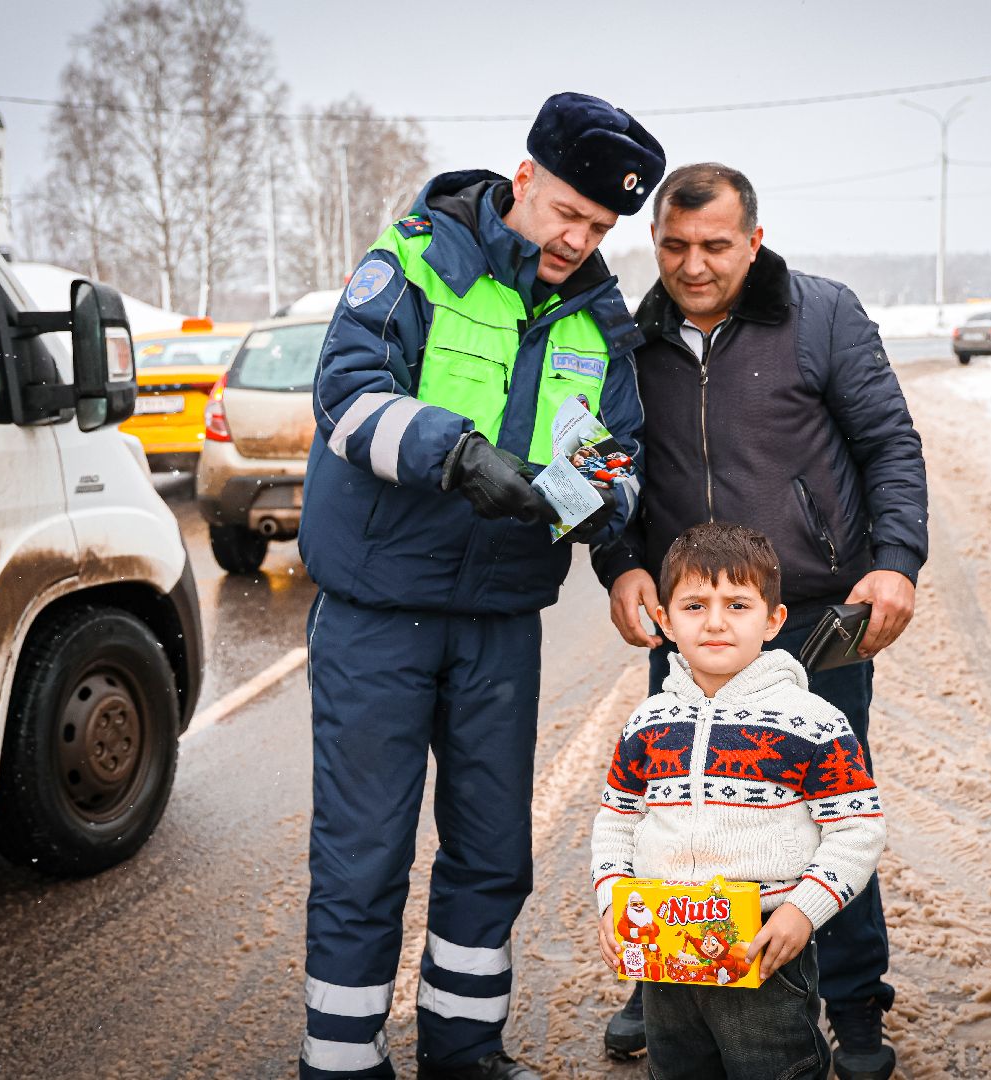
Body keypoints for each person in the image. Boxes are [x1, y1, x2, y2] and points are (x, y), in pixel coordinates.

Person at [297, 93, 665, 1080]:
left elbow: (617, 456)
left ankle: (463, 1054)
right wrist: (454, 455)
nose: (578, 241)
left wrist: (603, 504)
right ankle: (340, 1062)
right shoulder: (418, 256)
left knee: (494, 853)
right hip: (380, 608)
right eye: (568, 214)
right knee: (365, 855)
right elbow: (346, 393)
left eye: (601, 228)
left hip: (500, 620)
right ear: (526, 178)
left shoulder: (597, 318)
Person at [592, 163, 927, 1080]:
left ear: (755, 240)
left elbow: (889, 444)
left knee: (820, 810)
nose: (693, 266)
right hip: (688, 615)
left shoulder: (822, 315)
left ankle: (853, 1002)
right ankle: (666, 976)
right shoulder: (625, 336)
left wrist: (894, 564)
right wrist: (619, 564)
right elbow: (600, 465)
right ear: (653, 241)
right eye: (674, 246)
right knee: (682, 796)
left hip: (816, 614)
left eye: (715, 246)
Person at [591, 522, 886, 1079]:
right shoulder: (650, 722)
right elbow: (616, 821)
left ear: (774, 620)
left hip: (765, 951)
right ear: (666, 621)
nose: (717, 622)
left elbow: (857, 830)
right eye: (695, 605)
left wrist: (803, 911)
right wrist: (611, 900)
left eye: (738, 604)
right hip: (665, 957)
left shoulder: (813, 723)